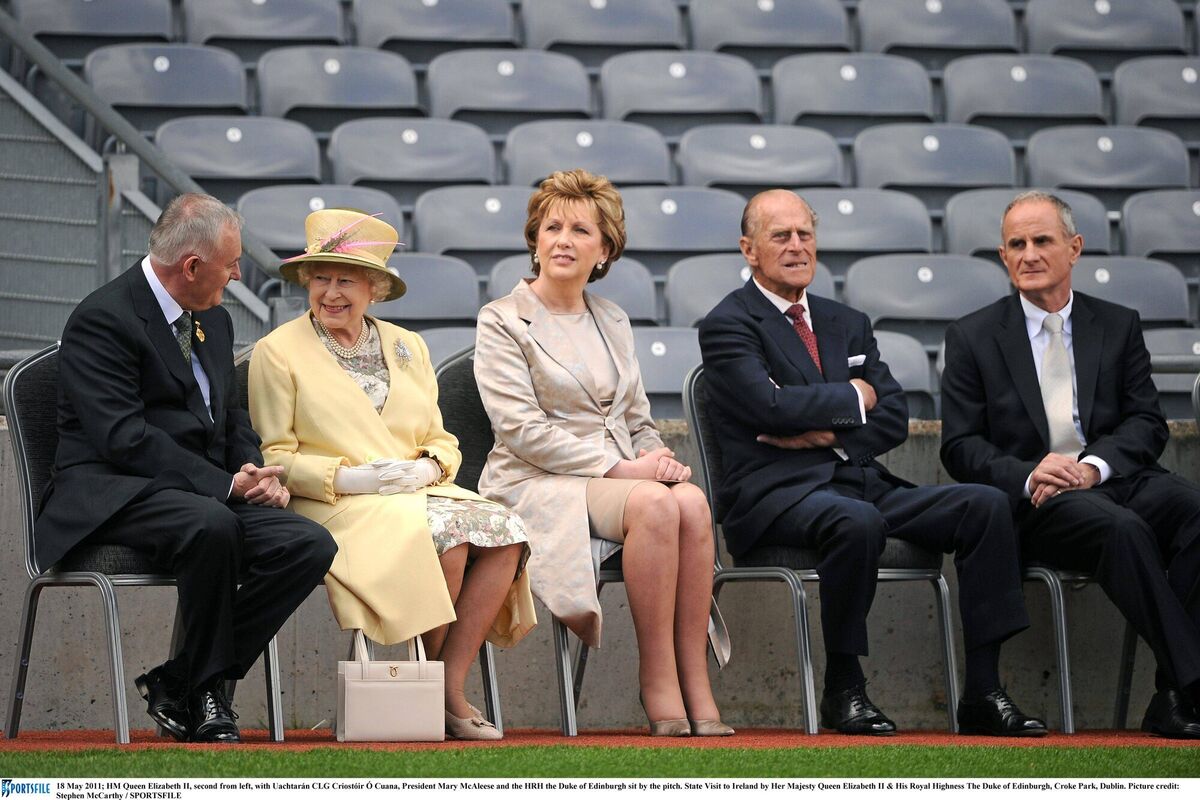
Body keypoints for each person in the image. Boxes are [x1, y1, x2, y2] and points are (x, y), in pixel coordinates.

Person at [698, 189, 1044, 736]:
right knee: (856, 521)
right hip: (773, 496)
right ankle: (844, 686)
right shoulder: (728, 324)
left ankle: (983, 688)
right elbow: (769, 407)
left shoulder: (846, 322)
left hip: (857, 479)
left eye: (804, 234)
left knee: (985, 504)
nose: (796, 246)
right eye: (779, 236)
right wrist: (854, 397)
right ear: (749, 249)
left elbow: (895, 417)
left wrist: (819, 435)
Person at [35, 193, 337, 743]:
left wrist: (252, 470)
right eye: (232, 262)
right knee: (211, 524)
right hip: (113, 490)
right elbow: (123, 439)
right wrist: (224, 485)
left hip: (198, 494)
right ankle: (207, 696)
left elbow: (229, 416)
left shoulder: (213, 321)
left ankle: (182, 681)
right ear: (192, 267)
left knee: (309, 545)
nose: (240, 272)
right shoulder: (102, 319)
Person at [248, 209, 535, 741]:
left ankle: (445, 682)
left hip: (415, 494)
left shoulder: (409, 346)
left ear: (374, 288)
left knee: (505, 530)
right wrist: (353, 480)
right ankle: (434, 696)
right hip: (334, 503)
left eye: (346, 280)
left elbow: (441, 439)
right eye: (321, 278)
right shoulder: (277, 351)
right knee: (446, 540)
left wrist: (423, 467)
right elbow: (277, 456)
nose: (331, 292)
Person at [474, 169, 731, 737]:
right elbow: (521, 431)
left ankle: (695, 676)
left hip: (617, 480)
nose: (563, 239)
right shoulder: (501, 319)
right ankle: (658, 677)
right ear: (535, 241)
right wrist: (624, 469)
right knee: (656, 506)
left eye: (581, 230)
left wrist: (659, 460)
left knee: (689, 501)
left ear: (605, 249)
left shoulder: (611, 318)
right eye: (552, 227)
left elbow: (636, 419)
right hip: (532, 480)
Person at [941, 191, 1200, 739]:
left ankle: (1170, 692)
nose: (1029, 254)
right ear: (1003, 256)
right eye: (1016, 244)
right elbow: (960, 446)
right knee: (1122, 530)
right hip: (1041, 500)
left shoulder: (1118, 323)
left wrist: (1096, 465)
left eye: (1042, 241)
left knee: (1193, 511)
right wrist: (1032, 473)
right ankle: (1191, 684)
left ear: (1074, 248)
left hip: (1114, 477)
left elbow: (1147, 423)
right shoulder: (972, 335)